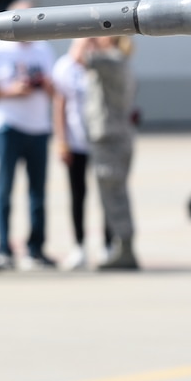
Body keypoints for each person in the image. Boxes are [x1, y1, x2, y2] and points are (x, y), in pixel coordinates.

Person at [0, 2, 59, 268]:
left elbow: (55, 92)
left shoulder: (43, 49)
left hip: (38, 127)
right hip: (7, 126)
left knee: (38, 193)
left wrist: (45, 85)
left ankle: (36, 249)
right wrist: (9, 91)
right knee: (4, 189)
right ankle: (3, 248)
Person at [76, 35, 140, 271]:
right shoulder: (119, 60)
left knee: (113, 194)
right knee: (115, 193)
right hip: (116, 136)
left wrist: (85, 38)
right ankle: (122, 246)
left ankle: (124, 248)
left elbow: (79, 59)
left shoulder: (110, 60)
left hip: (110, 138)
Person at [49, 42, 94, 270]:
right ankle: (79, 245)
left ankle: (108, 243)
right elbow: (60, 104)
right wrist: (62, 141)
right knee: (78, 195)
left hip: (100, 140)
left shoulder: (99, 63)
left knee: (106, 193)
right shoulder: (65, 67)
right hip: (76, 140)